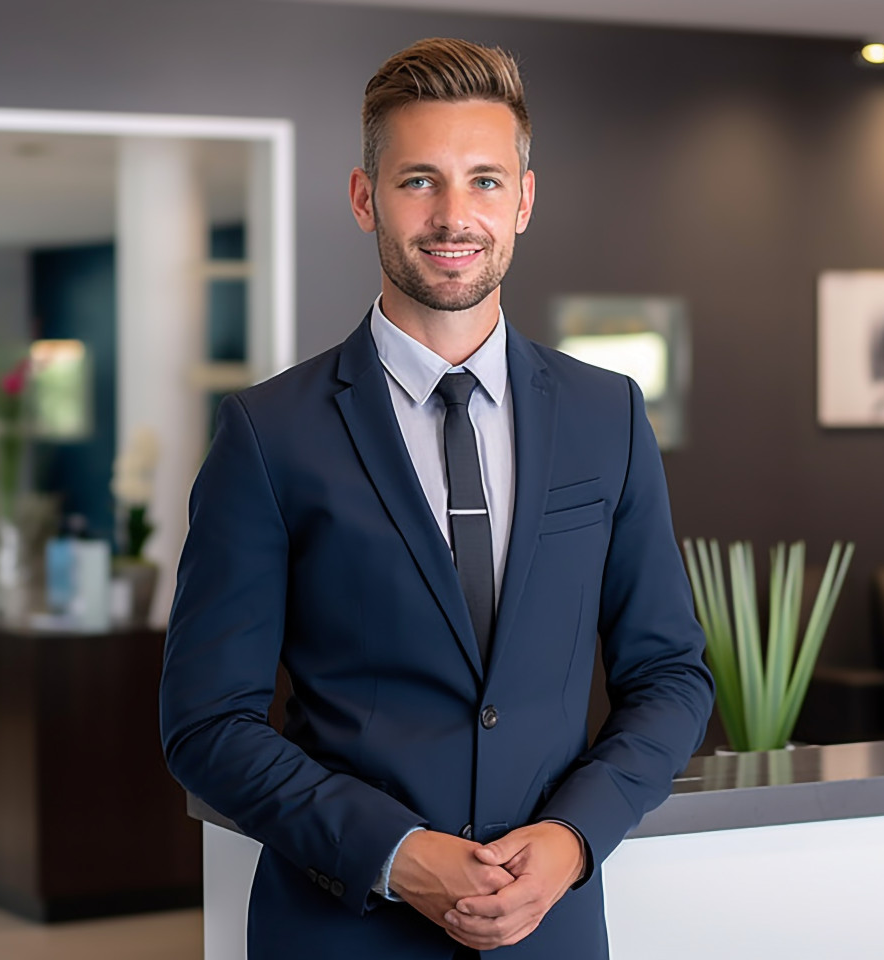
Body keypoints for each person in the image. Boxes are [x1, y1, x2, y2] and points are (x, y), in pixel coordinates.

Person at [160, 37, 714, 960]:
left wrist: (573, 837)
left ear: (525, 201)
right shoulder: (269, 432)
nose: (455, 215)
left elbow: (669, 676)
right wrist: (399, 853)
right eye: (420, 180)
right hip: (341, 930)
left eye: (486, 181)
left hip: (551, 932)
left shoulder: (605, 415)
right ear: (364, 197)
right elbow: (206, 724)